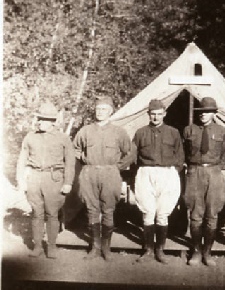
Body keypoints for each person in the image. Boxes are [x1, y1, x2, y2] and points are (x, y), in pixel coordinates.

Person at [73, 96, 132, 261]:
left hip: (110, 173)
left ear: (111, 111)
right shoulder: (85, 130)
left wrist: (116, 167)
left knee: (108, 210)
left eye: (104, 109)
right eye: (98, 109)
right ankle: (95, 247)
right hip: (89, 172)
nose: (100, 112)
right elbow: (75, 148)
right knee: (92, 210)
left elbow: (129, 153)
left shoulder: (119, 132)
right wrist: (84, 159)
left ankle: (106, 248)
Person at [16, 101, 75, 259]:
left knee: (52, 213)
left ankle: (52, 246)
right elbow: (22, 159)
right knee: (36, 213)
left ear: (52, 122)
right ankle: (37, 246)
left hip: (54, 178)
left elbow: (70, 162)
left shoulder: (63, 138)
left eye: (44, 119)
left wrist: (68, 182)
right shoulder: (30, 137)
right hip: (35, 178)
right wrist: (21, 180)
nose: (40, 122)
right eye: (39, 118)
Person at [132, 99, 184, 264]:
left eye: (159, 114)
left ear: (164, 114)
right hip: (146, 172)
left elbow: (180, 156)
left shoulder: (173, 132)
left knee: (162, 213)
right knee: (148, 212)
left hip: (167, 173)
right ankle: (148, 249)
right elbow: (133, 155)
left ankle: (160, 250)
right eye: (153, 114)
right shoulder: (140, 133)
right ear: (148, 114)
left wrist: (173, 172)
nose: (156, 117)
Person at [183, 97, 225, 267]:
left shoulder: (222, 131)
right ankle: (196, 251)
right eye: (201, 112)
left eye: (207, 112)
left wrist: (216, 168)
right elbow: (184, 152)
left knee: (212, 213)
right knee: (195, 214)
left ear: (213, 113)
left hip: (214, 172)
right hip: (195, 171)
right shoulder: (189, 130)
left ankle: (207, 252)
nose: (203, 115)